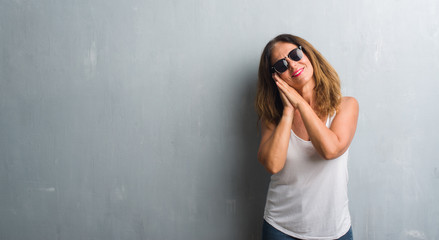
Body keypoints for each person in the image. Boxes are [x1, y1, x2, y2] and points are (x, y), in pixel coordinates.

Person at [255, 34, 359, 240]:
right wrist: (288, 111)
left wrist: (301, 104)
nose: (293, 65)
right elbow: (273, 165)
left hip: (334, 231)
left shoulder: (345, 106)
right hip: (280, 229)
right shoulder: (273, 116)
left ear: (308, 54)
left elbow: (330, 150)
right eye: (282, 65)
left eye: (295, 54)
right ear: (275, 77)